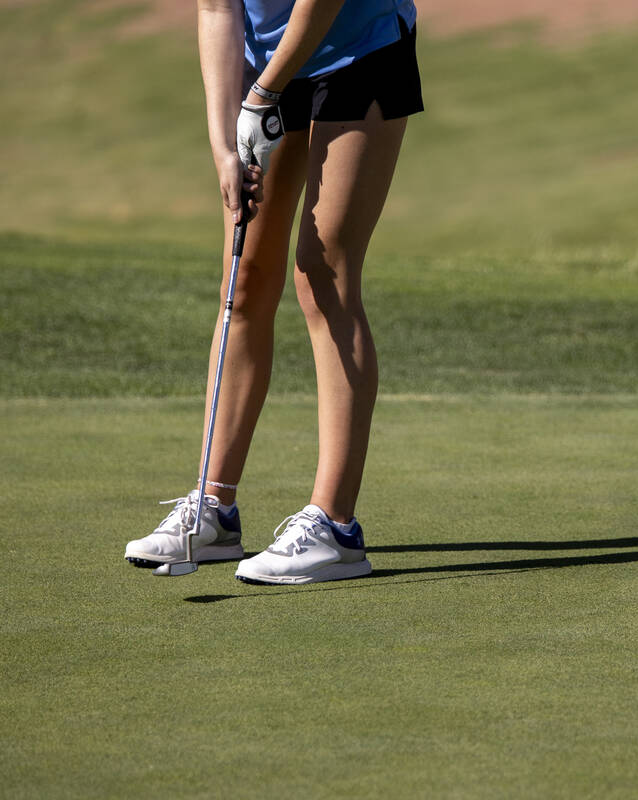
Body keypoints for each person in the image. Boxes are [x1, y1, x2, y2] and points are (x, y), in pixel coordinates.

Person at [124, 0, 422, 584]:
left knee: (323, 274)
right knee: (244, 281)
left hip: (358, 50)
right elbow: (216, 9)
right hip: (265, 74)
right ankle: (214, 512)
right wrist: (224, 145)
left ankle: (336, 529)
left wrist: (261, 96)